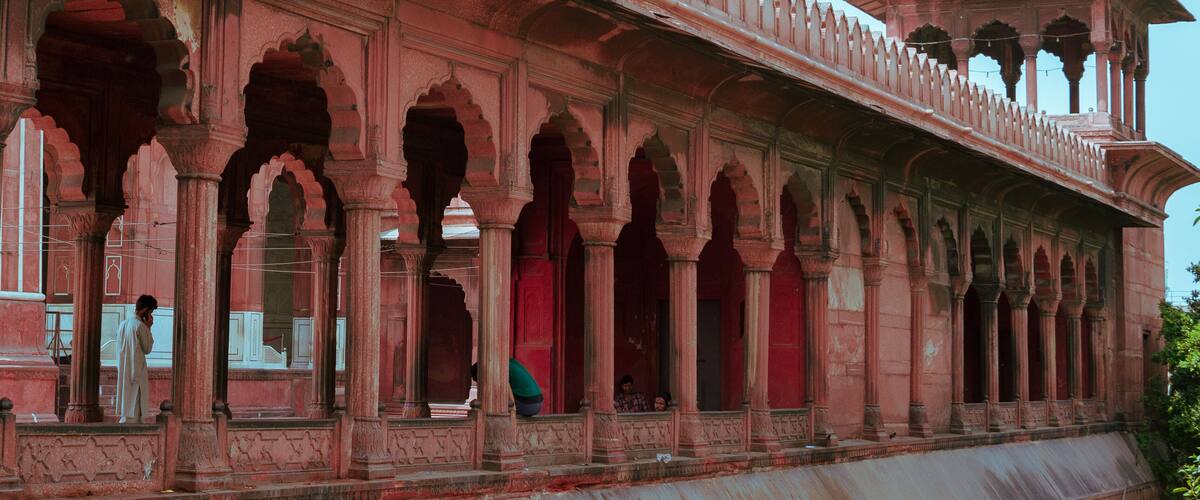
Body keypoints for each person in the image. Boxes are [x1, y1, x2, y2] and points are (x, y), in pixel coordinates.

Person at [116, 295, 156, 423]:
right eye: (150, 312)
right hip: (137, 372)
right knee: (135, 407)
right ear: (145, 311)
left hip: (125, 371)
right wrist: (149, 327)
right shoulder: (140, 326)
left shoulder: (124, 324)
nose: (151, 315)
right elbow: (148, 348)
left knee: (127, 406)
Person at [471, 358, 543, 417]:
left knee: (493, 403)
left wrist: (512, 410)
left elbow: (505, 390)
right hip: (539, 402)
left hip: (528, 405)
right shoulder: (510, 361)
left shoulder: (497, 369)